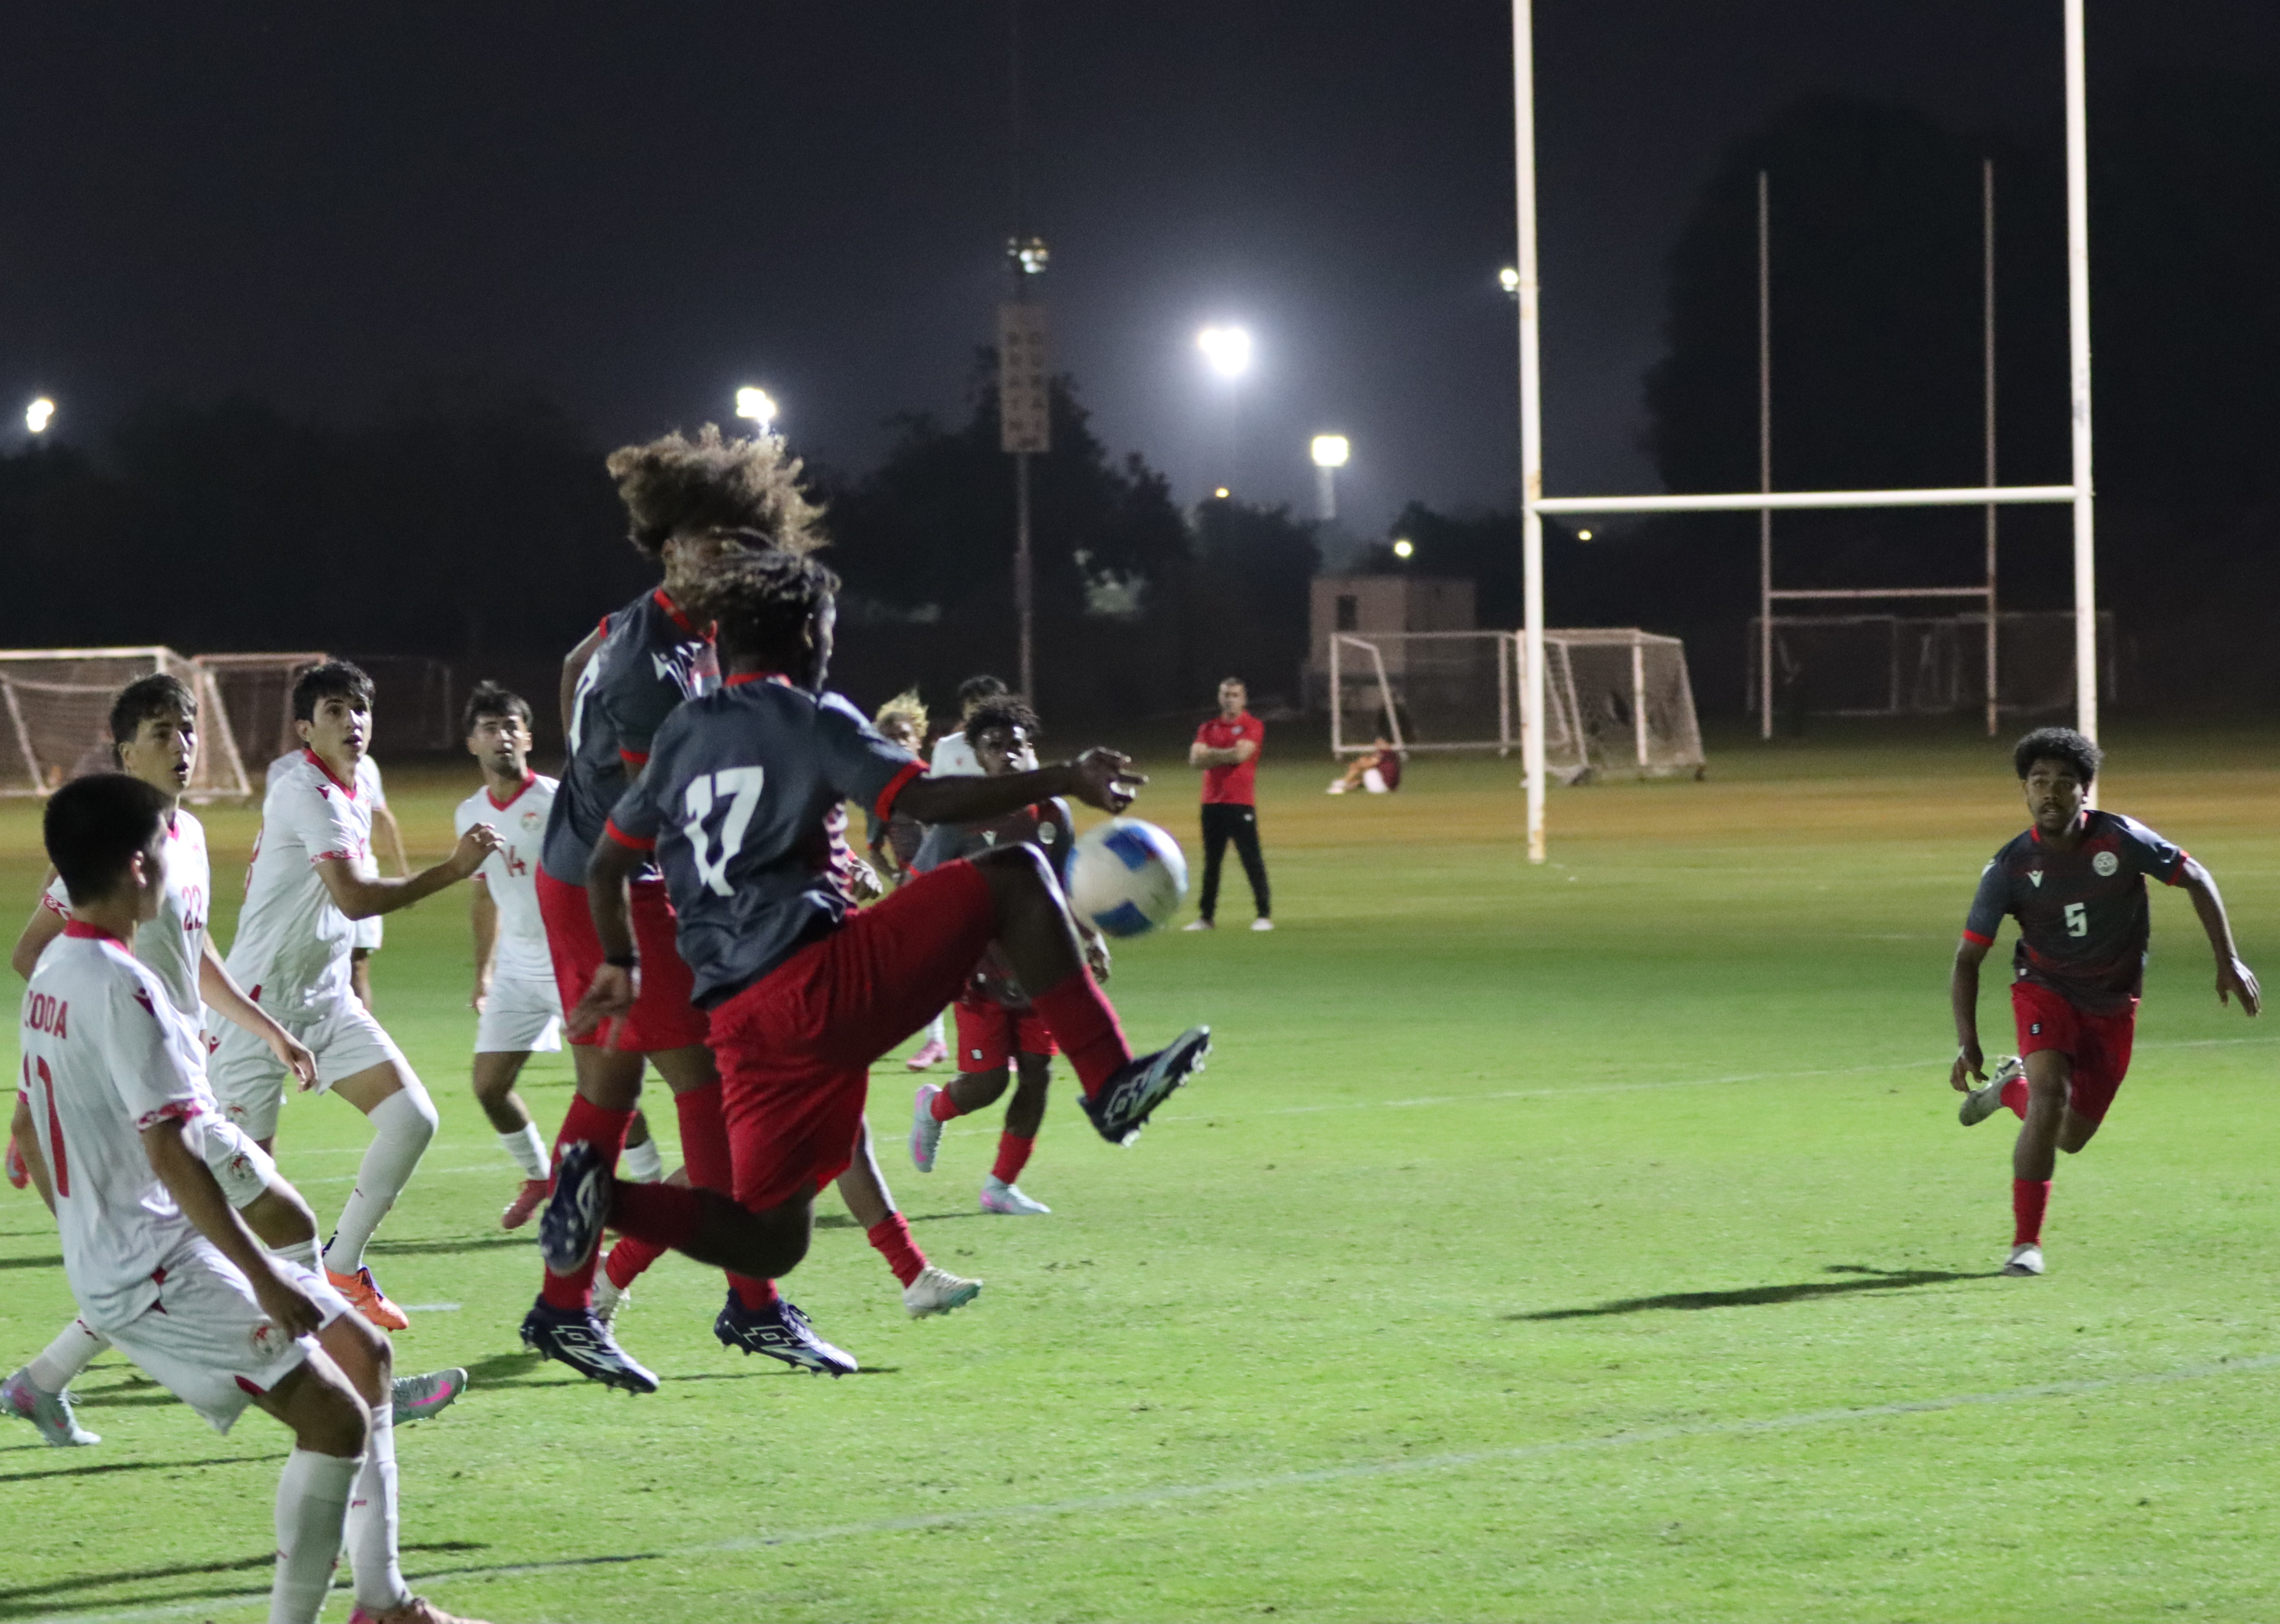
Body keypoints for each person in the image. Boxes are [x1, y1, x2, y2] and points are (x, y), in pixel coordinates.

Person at [549, 548, 1211, 1377]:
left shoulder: (682, 732)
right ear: (800, 634)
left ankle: (602, 1196)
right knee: (1014, 874)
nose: (831, 644)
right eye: (826, 628)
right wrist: (1062, 776)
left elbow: (609, 864)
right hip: (820, 984)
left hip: (742, 1023)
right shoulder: (813, 716)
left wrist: (619, 957)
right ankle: (1109, 1081)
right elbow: (925, 799)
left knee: (771, 1235)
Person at [13, 773, 486, 1624]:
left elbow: (28, 1119)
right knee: (334, 1418)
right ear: (134, 865)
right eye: (163, 846)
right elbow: (173, 1151)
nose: (172, 860)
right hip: (156, 1272)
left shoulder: (53, 965)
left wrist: (80, 1222)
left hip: (149, 1250)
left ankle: (381, 1599)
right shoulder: (124, 987)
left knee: (367, 1356)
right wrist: (263, 1279)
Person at [4, 676, 464, 1444]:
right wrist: (73, 1078)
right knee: (262, 1226)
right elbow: (34, 955)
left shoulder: (180, 839)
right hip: (155, 1096)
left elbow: (195, 951)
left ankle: (37, 1382)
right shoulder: (110, 852)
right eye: (162, 732)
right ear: (126, 753)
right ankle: (358, 1377)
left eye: (187, 730)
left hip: (186, 1077)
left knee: (186, 1254)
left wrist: (269, 1029)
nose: (183, 746)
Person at [519, 425, 823, 1391]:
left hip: (597, 869)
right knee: (678, 1078)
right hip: (609, 883)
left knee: (646, 1085)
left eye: (737, 539)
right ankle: (729, 1302)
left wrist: (580, 764)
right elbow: (669, 819)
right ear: (665, 544)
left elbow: (573, 666)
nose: (721, 556)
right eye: (702, 539)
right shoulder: (654, 661)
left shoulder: (664, 627)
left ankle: (600, 1304)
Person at [212, 661, 502, 1331]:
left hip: (324, 999)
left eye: (361, 710)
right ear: (305, 728)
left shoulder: (354, 780)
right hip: (255, 1011)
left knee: (413, 1120)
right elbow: (354, 897)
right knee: (247, 1188)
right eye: (336, 710)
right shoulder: (303, 788)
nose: (354, 722)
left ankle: (341, 1268)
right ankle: (180, 1317)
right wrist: (453, 871)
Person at [1951, 727, 2259, 1277]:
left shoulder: (2121, 841)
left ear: (2084, 792)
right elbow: (1967, 960)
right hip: (2043, 989)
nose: (2050, 793)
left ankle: (2009, 1090)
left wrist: (2228, 959)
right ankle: (2026, 1246)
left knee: (2069, 1135)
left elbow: (2195, 876)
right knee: (2052, 1098)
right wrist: (1967, 1041)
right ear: (2024, 791)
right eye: (2039, 782)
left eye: (2064, 782)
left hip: (2112, 1003)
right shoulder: (2008, 869)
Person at [908, 695, 1105, 1217]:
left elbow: (1069, 886)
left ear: (1029, 749)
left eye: (1017, 745)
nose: (1009, 754)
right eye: (995, 746)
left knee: (1038, 1071)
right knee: (987, 1083)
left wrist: (1091, 935)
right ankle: (934, 1106)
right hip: (979, 972)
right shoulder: (960, 817)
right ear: (977, 753)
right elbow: (916, 886)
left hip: (1040, 967)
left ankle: (1000, 1185)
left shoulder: (1051, 813)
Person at [449, 682, 571, 1229]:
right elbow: (484, 891)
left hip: (571, 956)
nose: (503, 735)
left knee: (607, 1085)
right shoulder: (469, 813)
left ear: (527, 736)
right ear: (471, 742)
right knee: (489, 1086)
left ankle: (642, 1186)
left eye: (511, 725)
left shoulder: (557, 800)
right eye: (490, 727)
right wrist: (484, 973)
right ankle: (541, 1176)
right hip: (518, 967)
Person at [902, 674, 1011, 1069]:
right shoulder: (947, 749)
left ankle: (1005, 1041)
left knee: (1001, 952)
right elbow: (938, 805)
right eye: (972, 708)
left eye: (986, 706)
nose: (978, 715)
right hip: (957, 859)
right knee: (941, 950)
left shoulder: (1018, 750)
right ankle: (935, 1040)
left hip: (1002, 858)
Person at [269, 740, 409, 1013]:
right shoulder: (284, 770)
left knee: (357, 966)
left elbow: (382, 817)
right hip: (310, 883)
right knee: (307, 966)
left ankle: (360, 1042)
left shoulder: (366, 765)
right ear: (305, 726)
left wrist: (402, 871)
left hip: (363, 874)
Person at [1184, 676, 1272, 932]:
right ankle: (1206, 917)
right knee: (1212, 862)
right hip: (1211, 803)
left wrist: (1211, 755)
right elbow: (1195, 761)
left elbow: (1241, 755)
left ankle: (1264, 914)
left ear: (1243, 699)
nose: (1230, 699)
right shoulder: (1208, 727)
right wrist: (1226, 755)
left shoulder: (1252, 725)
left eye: (1235, 695)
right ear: (1219, 697)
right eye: (1226, 694)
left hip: (1240, 803)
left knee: (1251, 858)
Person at [1328, 732, 1404, 795]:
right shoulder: (1393, 754)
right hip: (1391, 788)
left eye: (1380, 743)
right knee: (1367, 769)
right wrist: (1358, 783)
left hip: (1383, 789)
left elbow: (1367, 765)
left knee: (1368, 770)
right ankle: (1344, 784)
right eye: (1377, 743)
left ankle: (1341, 784)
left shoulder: (1383, 753)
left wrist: (1359, 762)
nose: (1378, 745)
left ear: (1388, 744)